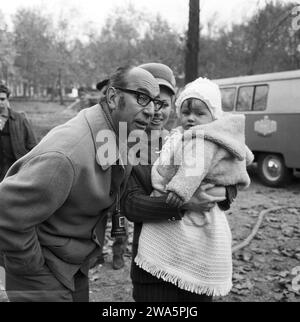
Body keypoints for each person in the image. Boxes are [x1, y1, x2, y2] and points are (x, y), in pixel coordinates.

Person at [0, 65, 161, 302]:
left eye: (155, 102)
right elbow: (5, 212)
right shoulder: (66, 156)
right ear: (114, 97)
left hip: (73, 264)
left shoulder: (117, 132)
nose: (151, 111)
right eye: (142, 98)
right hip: (42, 273)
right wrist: (32, 267)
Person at [123, 63, 238, 302]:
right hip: (154, 267)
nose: (155, 111)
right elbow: (131, 206)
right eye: (148, 101)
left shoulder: (190, 139)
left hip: (198, 261)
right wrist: (184, 202)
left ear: (172, 107)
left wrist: (222, 191)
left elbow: (229, 180)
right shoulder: (125, 145)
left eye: (163, 104)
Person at [0, 84, 37, 182]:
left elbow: (32, 145)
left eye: (2, 99)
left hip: (15, 168)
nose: (0, 102)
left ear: (7, 100)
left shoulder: (20, 119)